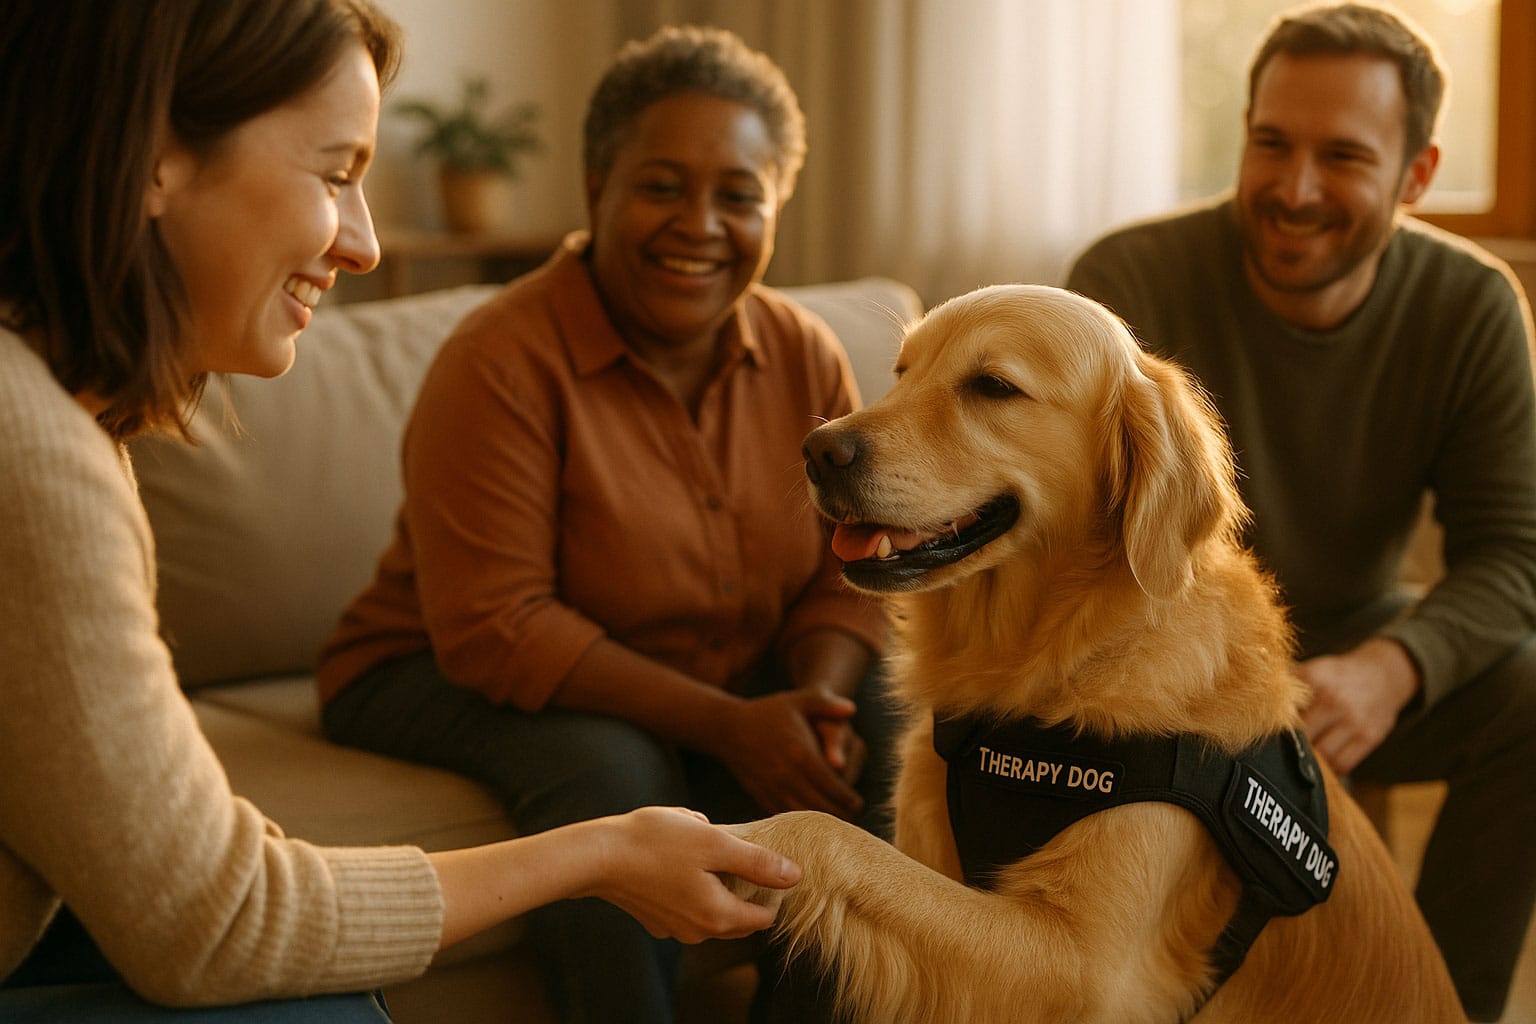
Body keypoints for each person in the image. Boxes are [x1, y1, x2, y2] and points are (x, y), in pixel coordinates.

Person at [0, 2, 804, 1020]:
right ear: (158, 156)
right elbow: (216, 920)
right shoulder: (29, 449)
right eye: (337, 174)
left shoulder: (58, 418)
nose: (367, 244)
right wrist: (604, 849)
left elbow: (189, 868)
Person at [315, 23, 894, 1024]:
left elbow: (847, 565)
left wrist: (812, 702)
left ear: (777, 208)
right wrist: (729, 725)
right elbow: (498, 624)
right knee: (613, 773)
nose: (700, 223)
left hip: (705, 672)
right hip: (428, 663)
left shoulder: (805, 355)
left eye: (739, 194)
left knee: (886, 727)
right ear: (598, 191)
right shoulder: (500, 359)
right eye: (663, 186)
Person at [1066, 3, 1536, 1020]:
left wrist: (1391, 668)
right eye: (1270, 144)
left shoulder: (1475, 307)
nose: (1295, 187)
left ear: (1416, 176)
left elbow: (1512, 558)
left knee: (1530, 693)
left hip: (1344, 650)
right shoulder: (1125, 281)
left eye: (1344, 156)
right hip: (1156, 651)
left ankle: (1441, 1004)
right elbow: (1076, 532)